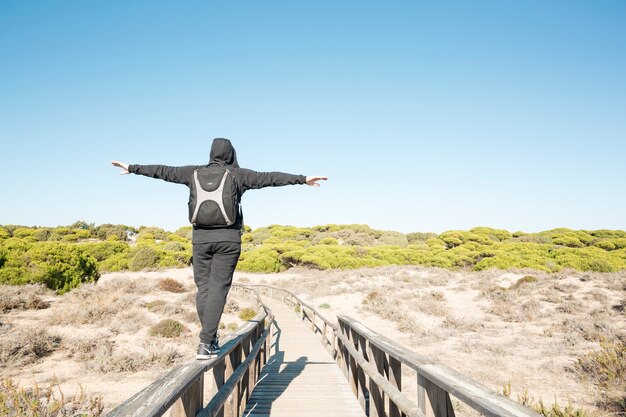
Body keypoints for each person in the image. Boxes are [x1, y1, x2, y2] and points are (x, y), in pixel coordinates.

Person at [111, 138, 327, 359]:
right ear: (231, 154)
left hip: (200, 239)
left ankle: (208, 339)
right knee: (218, 289)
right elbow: (271, 178)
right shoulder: (239, 175)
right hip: (229, 239)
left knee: (204, 289)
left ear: (211, 154)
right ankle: (206, 341)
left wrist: (132, 168)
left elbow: (163, 171)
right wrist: (302, 179)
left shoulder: (192, 173)